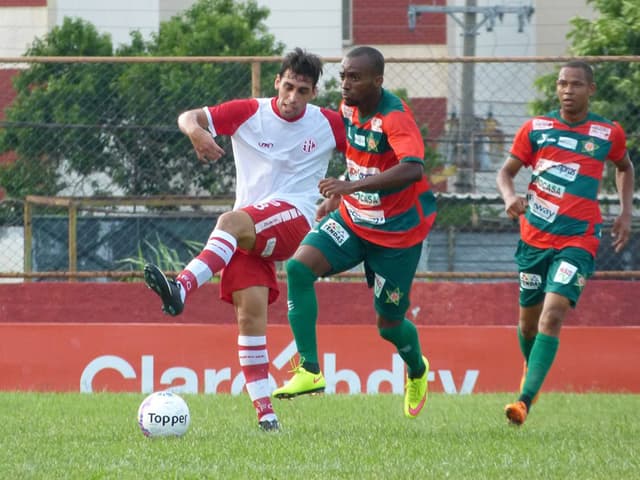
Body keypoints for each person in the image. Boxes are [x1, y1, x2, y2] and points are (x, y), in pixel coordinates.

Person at [143, 48, 346, 432]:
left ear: (314, 93)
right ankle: (267, 417)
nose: (293, 97)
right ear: (277, 83)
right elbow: (188, 116)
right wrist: (196, 132)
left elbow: (366, 159)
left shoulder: (328, 123)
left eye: (303, 91)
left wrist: (342, 192)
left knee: (230, 221)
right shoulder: (250, 111)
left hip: (293, 218)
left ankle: (182, 287)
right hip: (248, 232)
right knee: (249, 317)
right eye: (288, 87)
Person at [272, 46, 437, 420]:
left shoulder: (395, 117)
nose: (346, 84)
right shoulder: (347, 109)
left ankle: (417, 369)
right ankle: (310, 370)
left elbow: (412, 169)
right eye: (344, 75)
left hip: (396, 235)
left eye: (355, 77)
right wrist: (342, 194)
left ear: (378, 81)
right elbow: (364, 162)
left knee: (388, 324)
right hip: (353, 219)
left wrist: (349, 188)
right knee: (298, 268)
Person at [496, 60, 635, 426]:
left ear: (591, 89)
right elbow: (505, 172)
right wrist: (510, 196)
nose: (567, 90)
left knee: (553, 314)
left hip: (579, 239)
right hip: (533, 238)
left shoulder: (607, 132)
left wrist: (625, 212)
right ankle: (534, 373)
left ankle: (524, 401)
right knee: (528, 328)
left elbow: (624, 166)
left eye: (575, 84)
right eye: (562, 84)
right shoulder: (536, 129)